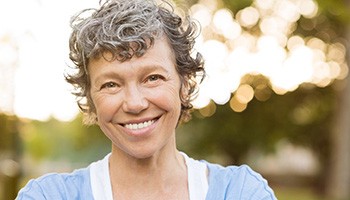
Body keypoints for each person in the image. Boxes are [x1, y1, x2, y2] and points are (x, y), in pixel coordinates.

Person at [17, 0, 277, 199]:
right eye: (111, 84)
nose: (134, 103)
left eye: (152, 78)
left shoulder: (240, 192)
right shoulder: (48, 195)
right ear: (91, 99)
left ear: (184, 84)